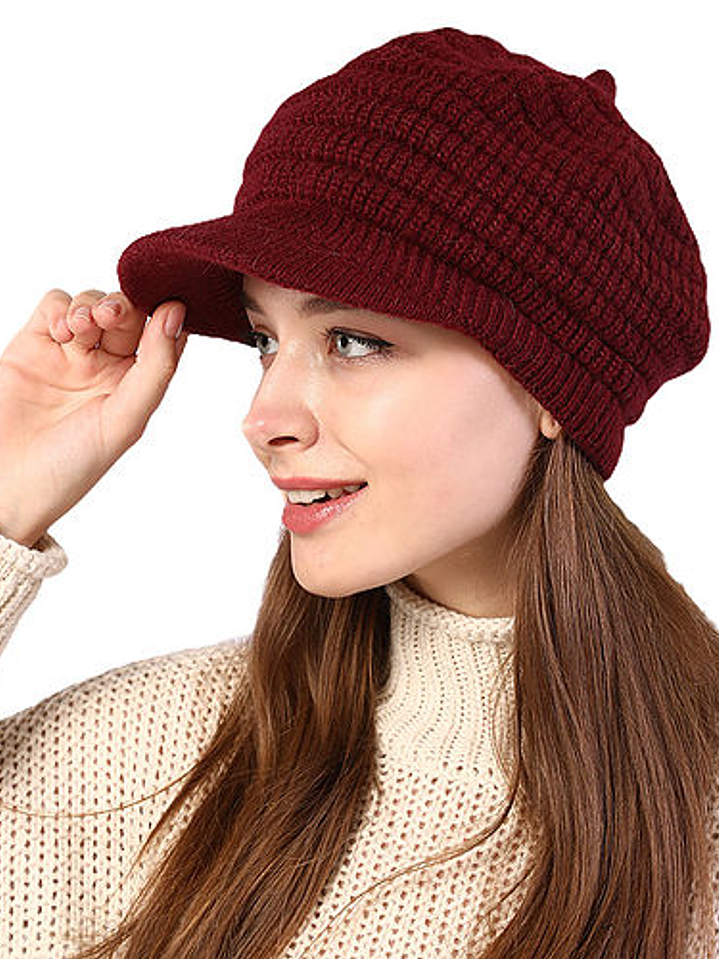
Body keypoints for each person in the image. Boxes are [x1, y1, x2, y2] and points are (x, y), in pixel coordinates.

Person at [0, 24, 716, 959]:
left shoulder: (693, 817)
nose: (263, 416)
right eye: (265, 340)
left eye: (352, 340)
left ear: (552, 386)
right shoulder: (140, 758)